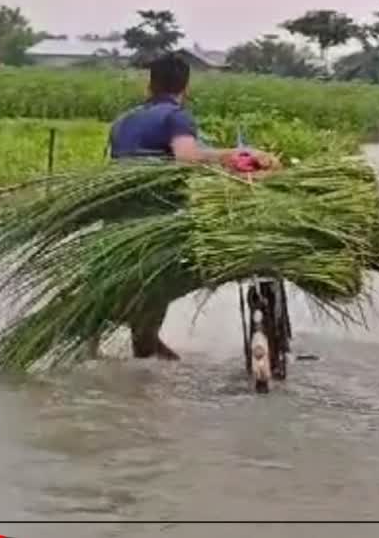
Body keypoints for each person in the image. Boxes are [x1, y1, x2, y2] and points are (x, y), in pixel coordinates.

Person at [109, 52, 279, 360]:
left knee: (133, 287)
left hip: (116, 220)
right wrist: (234, 154)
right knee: (160, 286)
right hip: (155, 220)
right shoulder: (176, 116)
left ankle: (139, 351)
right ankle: (146, 354)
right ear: (185, 89)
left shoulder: (123, 121)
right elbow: (186, 157)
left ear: (149, 86)